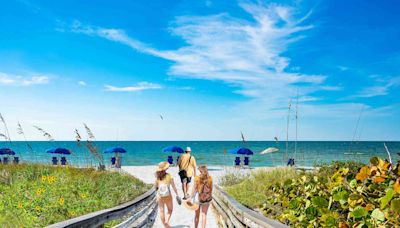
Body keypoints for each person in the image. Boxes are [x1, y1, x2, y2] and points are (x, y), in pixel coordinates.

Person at [155, 161, 181, 228]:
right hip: (167, 195)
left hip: (159, 195)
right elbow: (173, 186)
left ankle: (164, 225)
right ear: (165, 169)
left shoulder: (157, 177)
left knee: (161, 210)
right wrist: (177, 194)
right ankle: (166, 222)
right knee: (170, 210)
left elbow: (156, 187)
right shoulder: (169, 176)